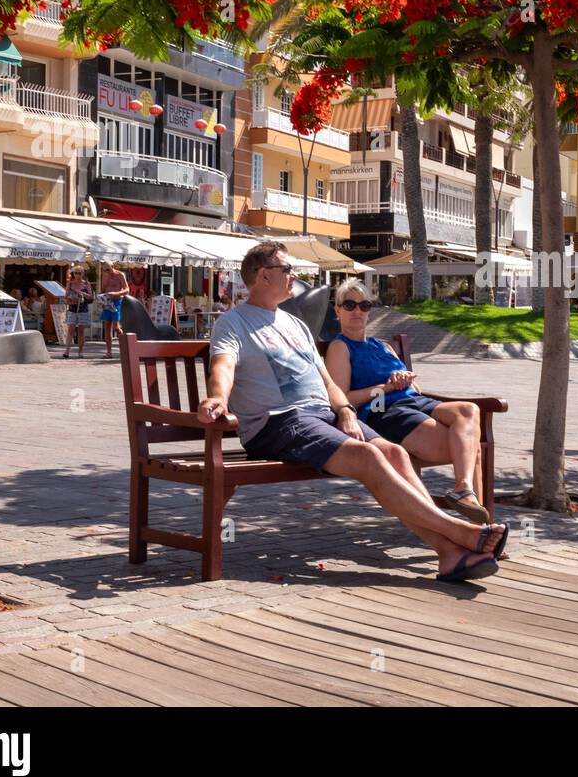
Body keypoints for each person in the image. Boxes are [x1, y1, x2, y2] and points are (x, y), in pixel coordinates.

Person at [197, 241, 507, 583]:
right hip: (278, 421)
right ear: (262, 276)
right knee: (367, 456)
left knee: (394, 452)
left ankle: (449, 554)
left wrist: (344, 410)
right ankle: (459, 531)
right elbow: (222, 366)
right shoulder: (233, 322)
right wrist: (218, 398)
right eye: (287, 270)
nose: (294, 277)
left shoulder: (295, 324)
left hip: (321, 416)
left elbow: (327, 380)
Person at [325, 278, 489, 523]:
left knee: (468, 410)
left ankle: (464, 490)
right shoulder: (340, 347)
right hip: (385, 411)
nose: (357, 311)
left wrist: (404, 378)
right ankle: (478, 526)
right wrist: (387, 386)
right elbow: (343, 398)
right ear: (337, 310)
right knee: (471, 445)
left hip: (415, 403)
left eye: (364, 305)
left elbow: (415, 388)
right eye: (349, 305)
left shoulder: (382, 346)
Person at [63, 266, 94, 359]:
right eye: (76, 273)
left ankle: (80, 351)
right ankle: (67, 351)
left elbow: (91, 297)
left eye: (80, 273)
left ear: (83, 274)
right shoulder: (70, 283)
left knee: (81, 331)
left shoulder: (86, 284)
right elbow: (66, 296)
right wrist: (69, 300)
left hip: (83, 309)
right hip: (72, 308)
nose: (77, 275)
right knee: (71, 329)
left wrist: (82, 294)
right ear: (73, 273)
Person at [100, 262, 130, 358]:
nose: (107, 272)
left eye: (108, 269)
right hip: (107, 302)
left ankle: (126, 347)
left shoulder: (120, 275)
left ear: (112, 267)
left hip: (117, 301)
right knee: (107, 326)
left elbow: (127, 290)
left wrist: (116, 293)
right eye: (105, 270)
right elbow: (103, 289)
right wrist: (101, 297)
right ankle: (109, 352)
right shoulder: (104, 276)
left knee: (116, 327)